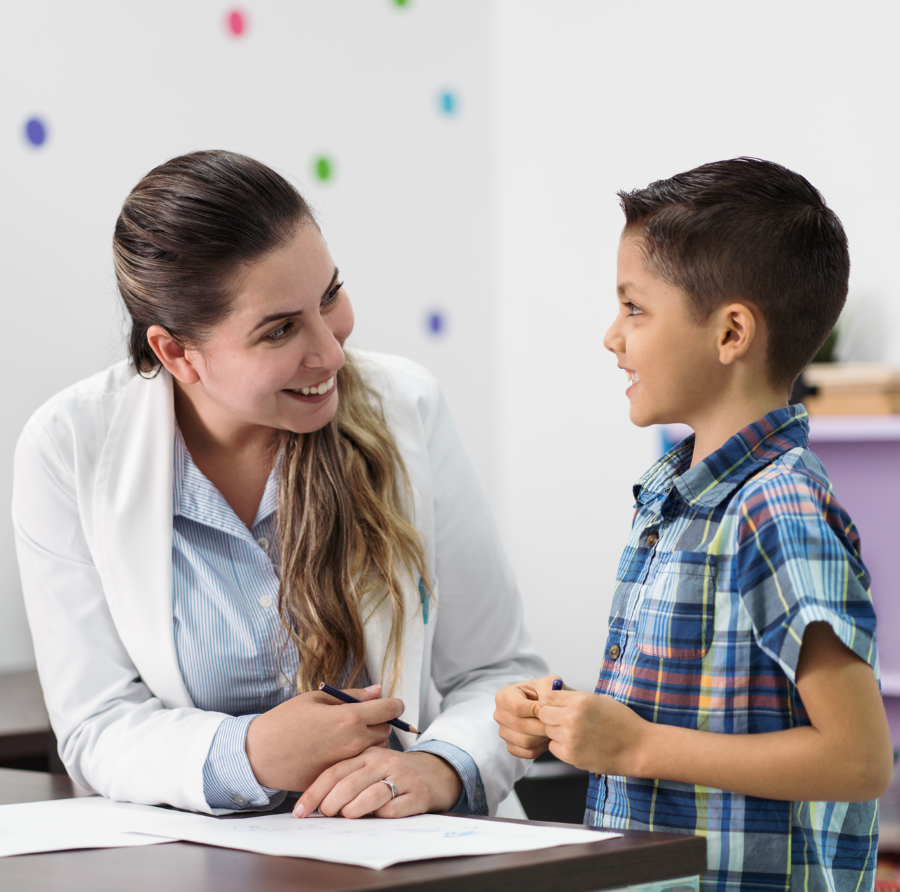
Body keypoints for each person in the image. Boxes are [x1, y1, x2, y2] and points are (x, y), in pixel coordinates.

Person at [13, 149, 545, 819]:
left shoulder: (407, 407)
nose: (330, 351)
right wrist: (252, 752)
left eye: (329, 296)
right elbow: (96, 723)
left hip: (409, 854)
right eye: (281, 330)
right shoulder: (66, 447)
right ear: (176, 354)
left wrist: (439, 768)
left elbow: (500, 675)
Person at [493, 158, 893, 890]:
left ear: (731, 332)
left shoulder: (778, 510)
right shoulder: (676, 501)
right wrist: (563, 721)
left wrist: (638, 747)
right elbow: (685, 712)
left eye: (634, 309)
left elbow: (858, 760)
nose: (611, 336)